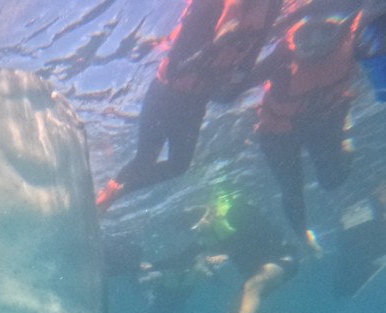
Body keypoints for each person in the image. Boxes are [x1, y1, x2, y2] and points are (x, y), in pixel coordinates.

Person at [96, 0, 284, 212]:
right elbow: (176, 67)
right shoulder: (209, 6)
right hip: (166, 93)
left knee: (179, 165)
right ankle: (104, 197)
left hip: (195, 103)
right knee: (144, 159)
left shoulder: (270, 9)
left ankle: (114, 194)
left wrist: (238, 79)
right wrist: (216, 46)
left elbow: (228, 91)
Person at [249, 10, 365, 253]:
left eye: (324, 33)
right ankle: (303, 233)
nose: (314, 44)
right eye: (305, 36)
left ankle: (346, 131)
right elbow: (232, 88)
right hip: (277, 132)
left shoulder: (351, 42)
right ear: (292, 40)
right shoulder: (281, 61)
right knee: (292, 189)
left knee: (333, 181)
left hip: (324, 117)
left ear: (337, 32)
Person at [196, 195, 330, 313]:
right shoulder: (235, 235)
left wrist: (227, 254)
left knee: (254, 283)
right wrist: (207, 259)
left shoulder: (258, 224)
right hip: (261, 271)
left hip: (284, 262)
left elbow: (252, 240)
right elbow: (222, 247)